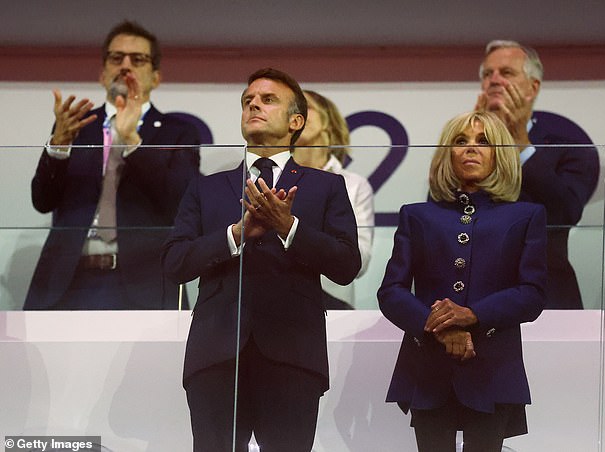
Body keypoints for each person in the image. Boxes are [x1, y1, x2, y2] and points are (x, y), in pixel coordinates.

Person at [162, 68, 361, 452]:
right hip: (216, 352)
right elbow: (174, 263)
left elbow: (346, 264)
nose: (253, 103)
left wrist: (289, 227)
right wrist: (235, 235)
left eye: (268, 99)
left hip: (293, 353)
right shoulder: (206, 188)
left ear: (296, 121)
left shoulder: (326, 186)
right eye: (248, 100)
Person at [378, 111, 547, 451]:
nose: (471, 148)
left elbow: (532, 293)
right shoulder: (417, 215)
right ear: (447, 153)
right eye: (461, 141)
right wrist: (439, 326)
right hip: (428, 364)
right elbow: (392, 291)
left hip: (494, 364)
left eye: (483, 141)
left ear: (501, 153)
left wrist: (472, 315)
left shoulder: (526, 215)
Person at [24, 20, 200, 310]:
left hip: (145, 282)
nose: (125, 65)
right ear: (102, 74)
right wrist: (58, 146)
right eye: (116, 58)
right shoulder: (76, 126)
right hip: (66, 283)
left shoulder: (177, 132)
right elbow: (42, 201)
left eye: (138, 59)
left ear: (156, 77)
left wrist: (131, 139)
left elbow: (180, 202)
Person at [475, 39, 600, 309]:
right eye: (487, 74)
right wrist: (476, 141)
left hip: (547, 297)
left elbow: (565, 212)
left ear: (533, 87)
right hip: (474, 299)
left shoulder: (567, 148)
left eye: (506, 73)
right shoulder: (467, 150)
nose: (494, 81)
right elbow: (441, 209)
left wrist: (519, 142)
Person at [293, 90, 374, 309]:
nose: (296, 115)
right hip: (277, 302)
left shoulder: (354, 185)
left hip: (334, 311)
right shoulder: (268, 178)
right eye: (291, 109)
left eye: (305, 107)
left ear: (327, 121)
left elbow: (360, 261)